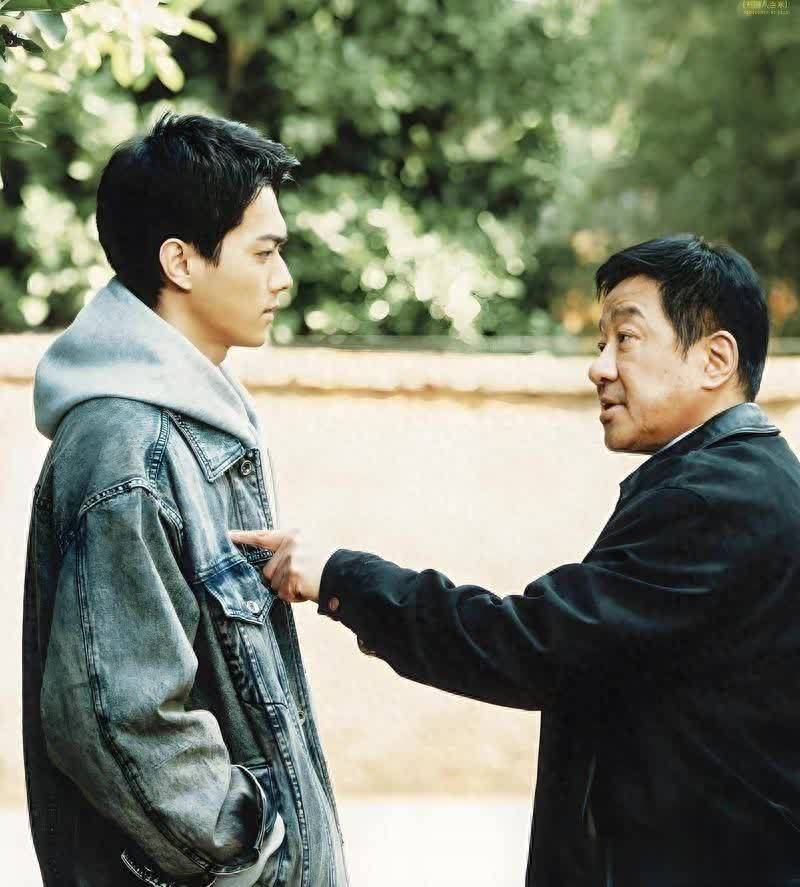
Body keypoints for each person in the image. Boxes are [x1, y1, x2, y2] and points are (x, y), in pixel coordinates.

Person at [238, 235, 800, 887]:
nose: (599, 368)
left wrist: (343, 578)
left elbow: (535, 645)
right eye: (601, 344)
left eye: (626, 339)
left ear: (715, 359)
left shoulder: (716, 499)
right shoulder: (743, 479)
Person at [23, 113, 348, 887]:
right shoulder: (129, 448)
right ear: (180, 261)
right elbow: (119, 721)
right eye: (263, 252)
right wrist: (254, 853)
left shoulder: (192, 423)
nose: (282, 278)